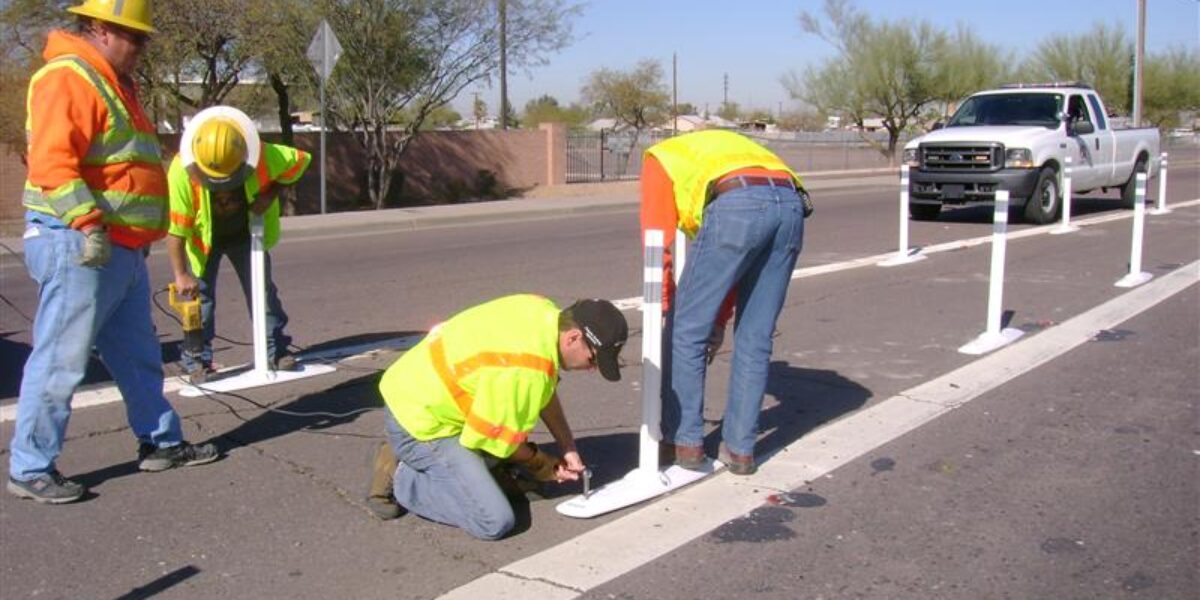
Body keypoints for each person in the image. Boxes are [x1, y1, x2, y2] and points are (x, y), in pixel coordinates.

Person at [8, 0, 219, 505]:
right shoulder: (70, 76)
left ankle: (161, 442)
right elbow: (52, 163)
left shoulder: (114, 84)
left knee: (138, 355)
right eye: (135, 38)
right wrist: (87, 224)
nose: (141, 48)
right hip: (81, 242)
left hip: (119, 247)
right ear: (101, 29)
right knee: (61, 359)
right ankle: (30, 467)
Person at [372, 294, 627, 540]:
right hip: (421, 422)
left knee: (511, 425)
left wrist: (568, 447)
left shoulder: (541, 311)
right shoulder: (524, 371)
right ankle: (402, 476)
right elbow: (496, 441)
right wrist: (544, 466)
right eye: (592, 359)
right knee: (494, 521)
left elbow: (545, 390)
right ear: (573, 338)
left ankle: (473, 471)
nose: (592, 368)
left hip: (415, 387)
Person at [641, 129, 809, 476]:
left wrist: (669, 308)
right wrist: (717, 320)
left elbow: (658, 244)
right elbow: (734, 265)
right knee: (755, 337)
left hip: (737, 202)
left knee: (684, 331)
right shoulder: (731, 148)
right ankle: (741, 450)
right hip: (791, 205)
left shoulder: (660, 157)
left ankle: (684, 442)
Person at [165, 106, 310, 383]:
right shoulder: (181, 171)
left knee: (262, 293)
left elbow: (300, 162)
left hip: (246, 236)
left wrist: (271, 194)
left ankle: (275, 350)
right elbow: (176, 231)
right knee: (200, 301)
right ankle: (196, 361)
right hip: (205, 242)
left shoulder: (264, 154)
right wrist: (181, 274)